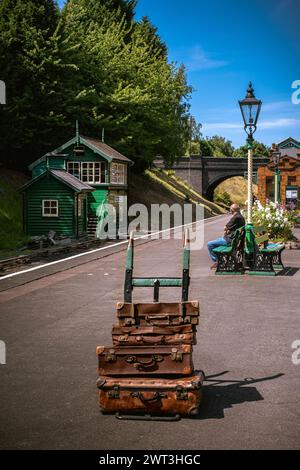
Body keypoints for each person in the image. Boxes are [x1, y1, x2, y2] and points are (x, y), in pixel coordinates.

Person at [207, 203, 245, 269]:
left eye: (230, 209)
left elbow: (225, 228)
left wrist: (227, 230)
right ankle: (219, 261)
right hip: (233, 240)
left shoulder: (235, 218)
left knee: (210, 244)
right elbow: (231, 228)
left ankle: (217, 262)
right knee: (218, 240)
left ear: (232, 210)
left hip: (229, 241)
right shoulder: (241, 217)